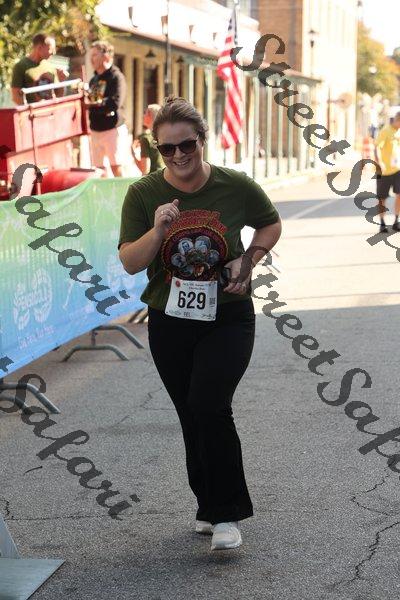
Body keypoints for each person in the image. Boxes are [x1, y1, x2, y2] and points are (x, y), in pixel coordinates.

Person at [118, 96, 281, 551]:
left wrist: (248, 260)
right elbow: (130, 262)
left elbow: (270, 224)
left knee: (210, 403)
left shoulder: (235, 185)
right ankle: (207, 506)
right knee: (191, 413)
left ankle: (227, 514)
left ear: (202, 141)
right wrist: (157, 230)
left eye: (186, 145)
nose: (178, 155)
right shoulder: (143, 194)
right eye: (166, 149)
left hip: (227, 315)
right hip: (169, 319)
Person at [87, 41, 128, 177]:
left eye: (95, 55)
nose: (91, 59)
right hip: (95, 129)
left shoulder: (117, 77)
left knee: (117, 168)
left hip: (112, 129)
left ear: (106, 56)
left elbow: (115, 103)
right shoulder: (94, 80)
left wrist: (95, 104)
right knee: (99, 172)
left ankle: (123, 191)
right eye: (91, 55)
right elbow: (91, 103)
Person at [11, 33, 68, 105]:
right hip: (33, 111)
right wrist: (29, 110)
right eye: (50, 49)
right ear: (39, 48)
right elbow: (16, 97)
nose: (53, 53)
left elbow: (59, 95)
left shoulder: (51, 65)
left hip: (50, 110)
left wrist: (61, 81)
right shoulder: (21, 66)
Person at [374, 111, 400, 233]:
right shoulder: (385, 131)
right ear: (397, 120)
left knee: (399, 194)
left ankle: (396, 220)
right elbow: (377, 147)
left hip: (397, 169)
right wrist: (380, 162)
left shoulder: (399, 131)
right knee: (382, 198)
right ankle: (382, 223)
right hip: (383, 171)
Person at [132, 104, 164, 174]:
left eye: (145, 113)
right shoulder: (166, 136)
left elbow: (145, 170)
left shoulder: (146, 139)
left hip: (154, 178)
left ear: (150, 116)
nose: (143, 116)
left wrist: (133, 153)